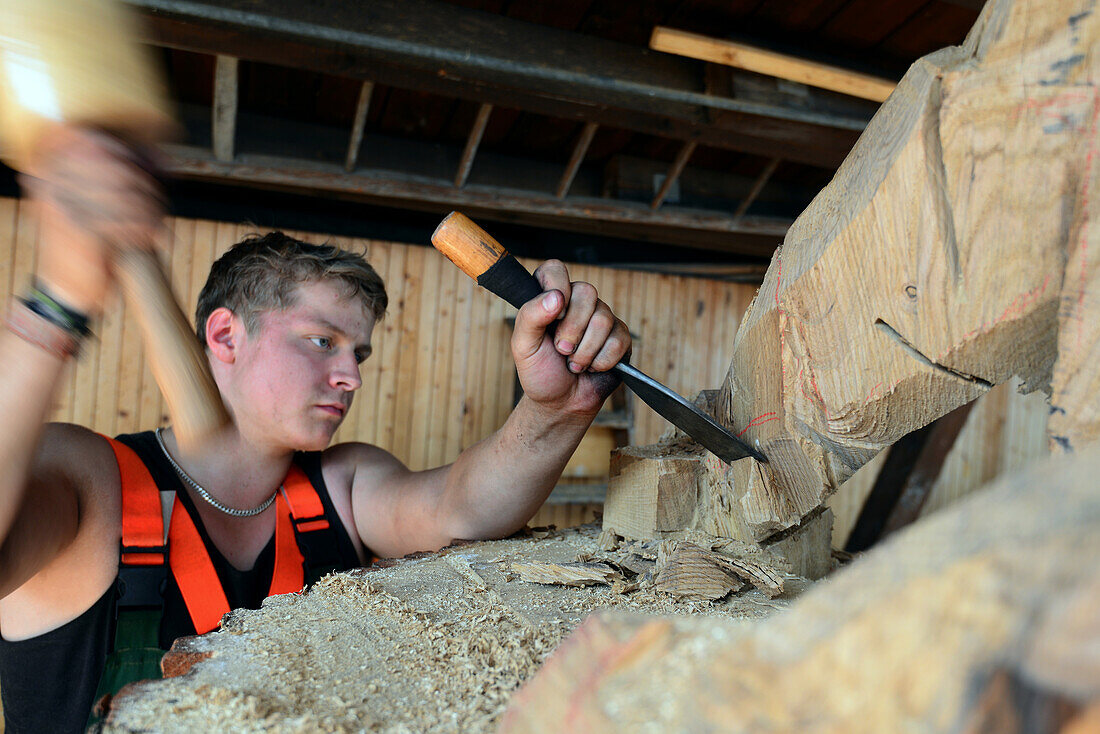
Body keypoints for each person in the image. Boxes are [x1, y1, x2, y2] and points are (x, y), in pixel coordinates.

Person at [0, 128, 631, 732]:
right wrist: (57, 301)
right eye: (322, 341)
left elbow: (463, 509)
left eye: (357, 354)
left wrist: (557, 408)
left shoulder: (343, 484)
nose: (350, 376)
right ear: (225, 336)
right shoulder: (90, 481)